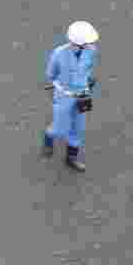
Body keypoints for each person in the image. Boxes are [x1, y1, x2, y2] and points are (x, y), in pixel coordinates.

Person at [42, 21, 99, 171]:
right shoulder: (59, 54)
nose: (90, 45)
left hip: (82, 94)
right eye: (86, 43)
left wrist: (88, 81)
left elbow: (89, 68)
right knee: (59, 127)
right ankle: (48, 138)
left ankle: (71, 158)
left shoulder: (92, 51)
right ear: (77, 43)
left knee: (78, 128)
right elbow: (50, 74)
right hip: (64, 96)